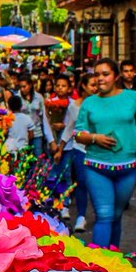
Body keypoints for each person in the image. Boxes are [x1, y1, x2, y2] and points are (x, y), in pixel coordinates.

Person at [74, 57, 136, 249]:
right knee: (104, 215)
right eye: (97, 75)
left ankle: (113, 258)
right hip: (97, 167)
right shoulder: (89, 103)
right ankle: (98, 263)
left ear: (116, 76)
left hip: (128, 167)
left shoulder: (132, 97)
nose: (100, 78)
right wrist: (95, 138)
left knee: (116, 215)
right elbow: (78, 134)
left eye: (105, 74)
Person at [54, 72, 98, 232]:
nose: (96, 88)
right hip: (80, 149)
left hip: (99, 150)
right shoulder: (74, 106)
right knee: (81, 181)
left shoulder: (102, 103)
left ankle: (100, 213)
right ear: (84, 86)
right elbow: (69, 128)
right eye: (92, 85)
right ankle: (81, 216)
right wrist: (60, 149)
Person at [18, 72, 54, 156]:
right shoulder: (18, 97)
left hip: (37, 132)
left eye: (24, 86)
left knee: (38, 157)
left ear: (30, 85)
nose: (22, 89)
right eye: (21, 87)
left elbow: (43, 116)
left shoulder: (39, 97)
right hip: (23, 133)